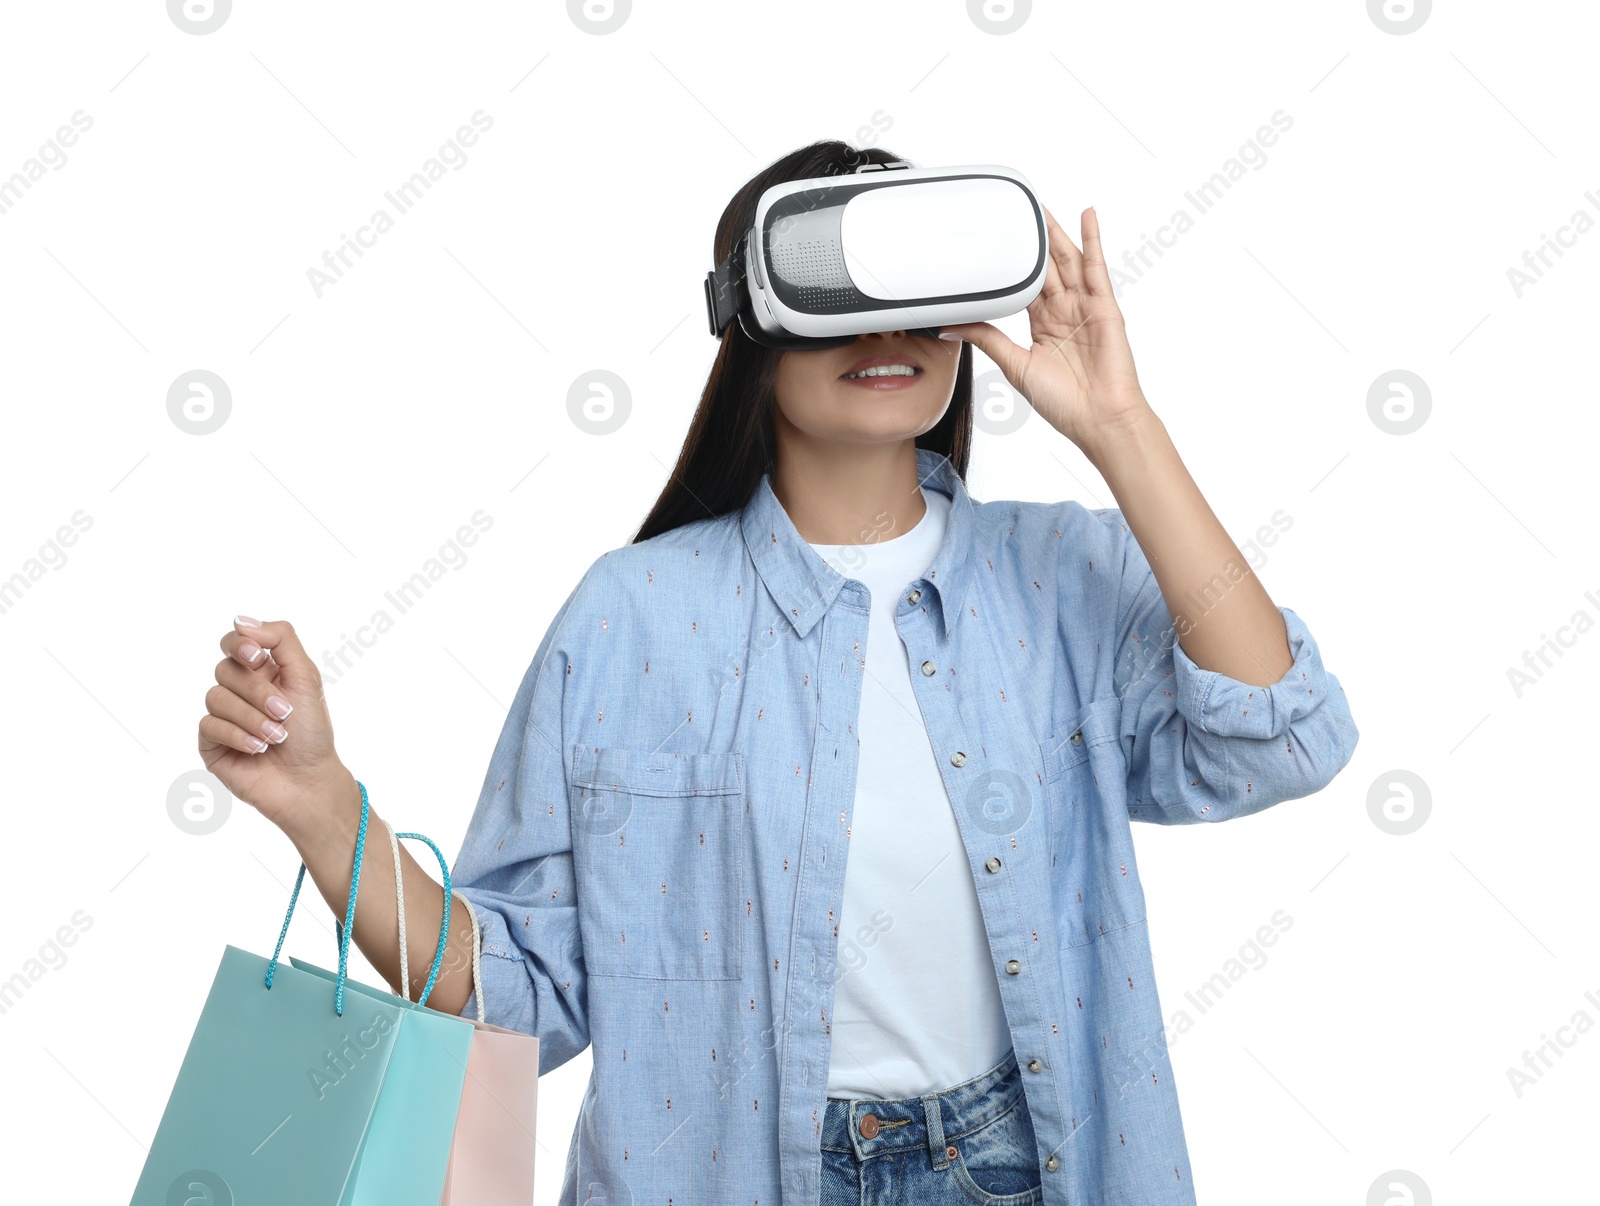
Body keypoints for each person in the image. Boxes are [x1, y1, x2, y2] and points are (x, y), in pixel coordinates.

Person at [199, 140, 1359, 1206]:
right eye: (832, 287)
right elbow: (524, 999)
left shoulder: (1058, 579)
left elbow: (1282, 735)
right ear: (750, 320)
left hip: (1026, 1167)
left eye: (916, 293)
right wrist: (318, 802)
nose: (883, 329)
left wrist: (1120, 425)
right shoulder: (633, 617)